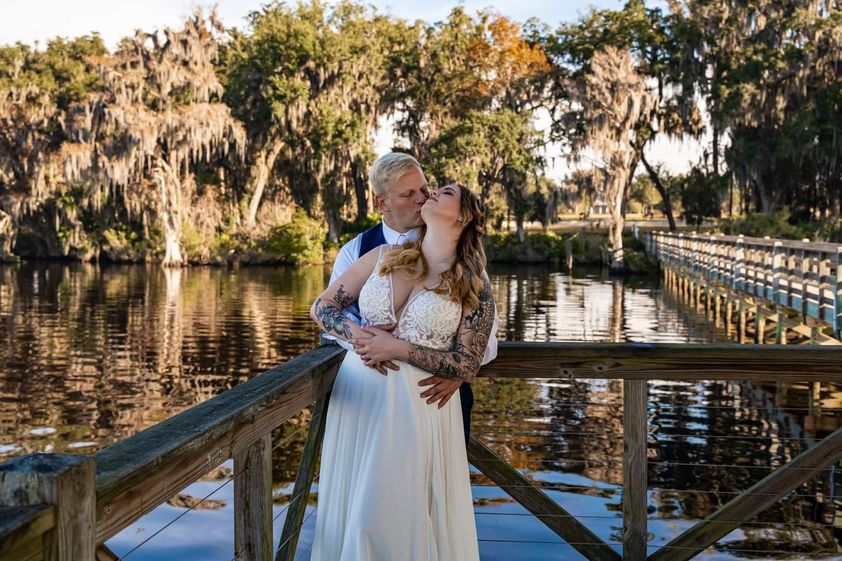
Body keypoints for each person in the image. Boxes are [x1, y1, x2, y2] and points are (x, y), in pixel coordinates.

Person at [309, 179, 495, 560]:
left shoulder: (472, 283)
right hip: (358, 399)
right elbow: (322, 308)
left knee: (383, 519)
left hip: (417, 410)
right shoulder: (380, 256)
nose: (430, 194)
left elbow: (467, 362)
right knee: (353, 513)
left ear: (462, 217)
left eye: (443, 193)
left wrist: (397, 347)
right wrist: (358, 334)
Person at [324, 152, 498, 443]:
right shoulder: (357, 251)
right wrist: (367, 342)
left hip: (435, 396)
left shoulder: (464, 260)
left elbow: (488, 334)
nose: (423, 197)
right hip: (369, 399)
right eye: (409, 194)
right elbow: (330, 314)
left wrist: (458, 371)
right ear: (382, 202)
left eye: (424, 188)